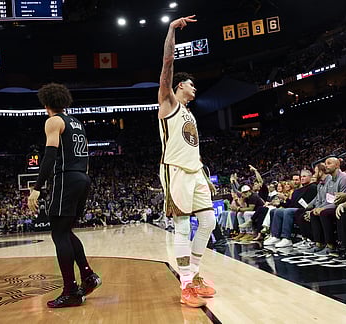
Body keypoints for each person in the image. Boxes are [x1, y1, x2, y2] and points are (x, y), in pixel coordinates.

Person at [158, 15, 216, 308]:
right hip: (176, 170)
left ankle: (193, 274)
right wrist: (171, 30)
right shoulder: (168, 102)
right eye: (191, 86)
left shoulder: (190, 113)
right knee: (182, 227)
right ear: (180, 86)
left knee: (208, 220)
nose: (195, 90)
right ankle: (184, 284)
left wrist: (203, 173)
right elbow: (168, 63)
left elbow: (192, 147)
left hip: (195, 171)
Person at [28, 83, 101, 308]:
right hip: (83, 178)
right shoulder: (77, 123)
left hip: (66, 178)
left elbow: (49, 156)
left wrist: (37, 187)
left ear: (45, 103)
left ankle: (70, 291)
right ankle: (88, 276)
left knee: (58, 234)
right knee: (65, 231)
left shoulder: (53, 121)